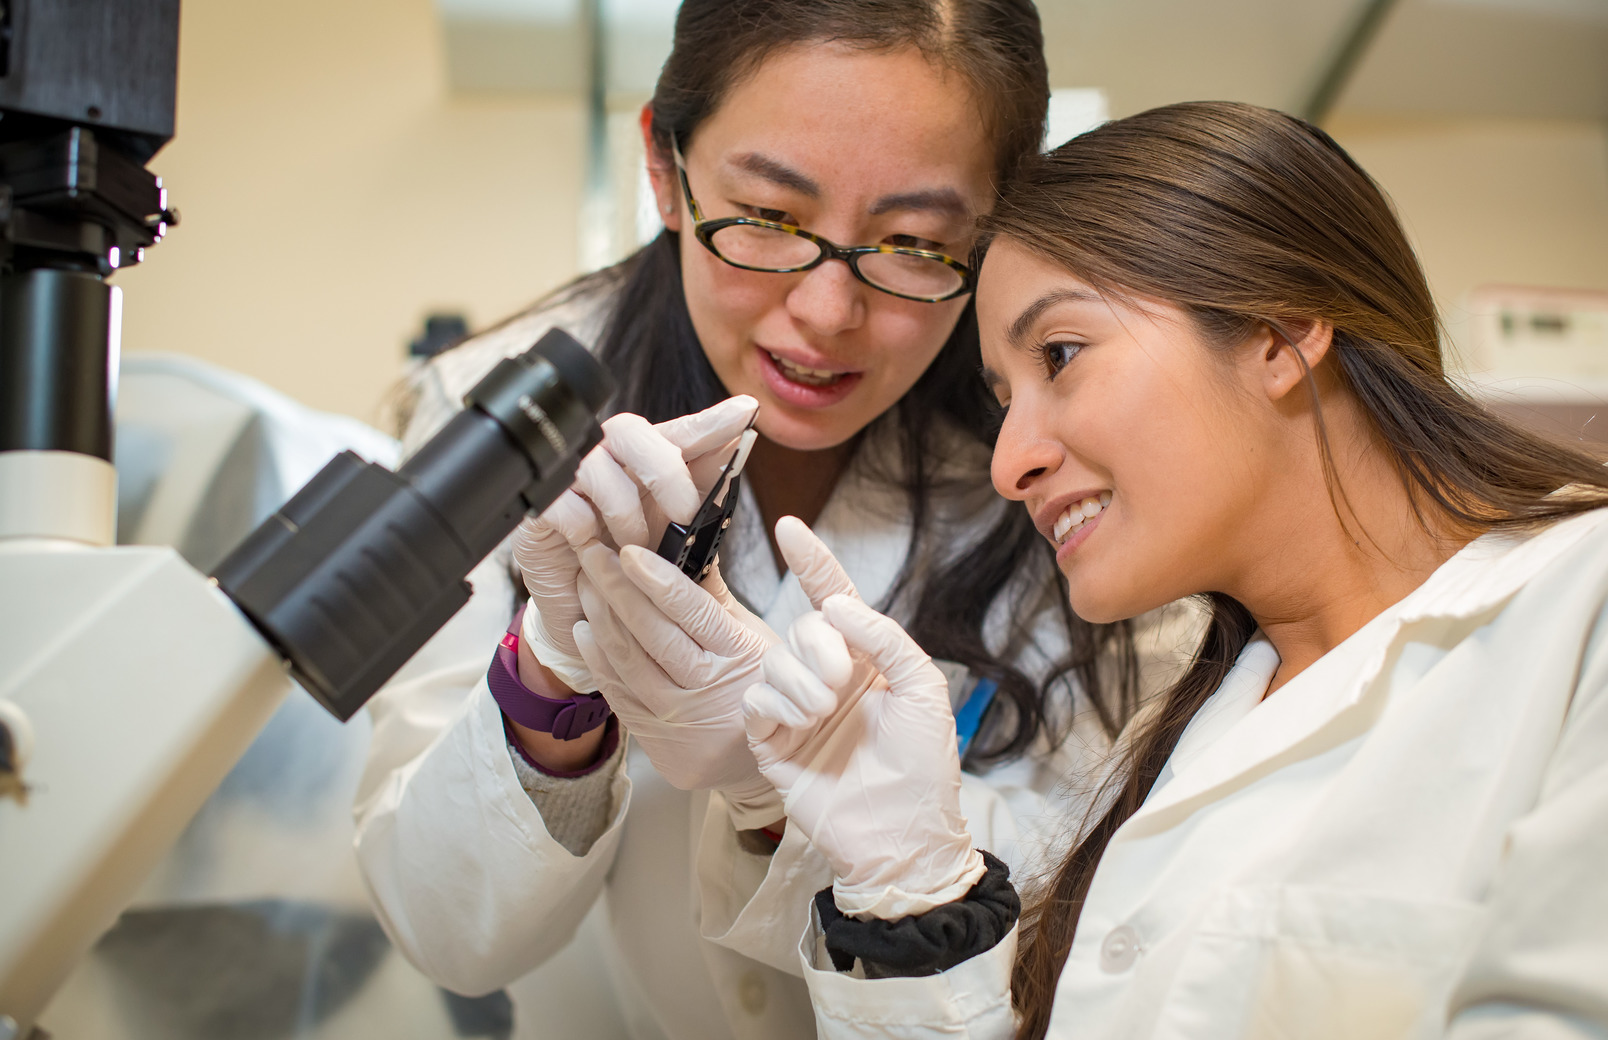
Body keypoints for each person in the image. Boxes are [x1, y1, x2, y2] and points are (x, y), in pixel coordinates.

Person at [353, 3, 1192, 1038]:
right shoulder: (491, 406)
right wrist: (547, 691)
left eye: (915, 244)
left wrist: (794, 787)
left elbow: (1090, 919)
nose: (829, 314)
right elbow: (451, 932)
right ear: (665, 169)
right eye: (768, 219)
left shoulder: (1051, 466)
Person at [746, 101, 1608, 1039]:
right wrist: (909, 890)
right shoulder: (1183, 733)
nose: (1009, 462)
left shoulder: (1579, 613)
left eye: (1061, 355)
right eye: (1003, 398)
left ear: (1280, 332)